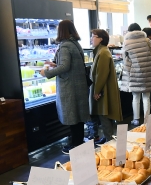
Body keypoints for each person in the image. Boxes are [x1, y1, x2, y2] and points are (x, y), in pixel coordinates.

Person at [40, 20, 89, 155]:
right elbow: (69, 64)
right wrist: (55, 63)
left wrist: (47, 72)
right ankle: (78, 141)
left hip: (69, 87)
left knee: (72, 116)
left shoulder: (65, 46)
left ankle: (75, 144)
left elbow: (65, 66)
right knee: (77, 116)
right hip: (78, 85)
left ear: (61, 31)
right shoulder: (75, 44)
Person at [88, 29, 122, 141]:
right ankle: (107, 138)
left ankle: (109, 140)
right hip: (104, 89)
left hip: (104, 90)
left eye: (94, 36)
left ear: (101, 39)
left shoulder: (102, 53)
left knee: (104, 114)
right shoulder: (101, 51)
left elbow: (101, 75)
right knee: (103, 114)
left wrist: (96, 91)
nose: (91, 38)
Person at [121, 27, 151, 126]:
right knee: (146, 97)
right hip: (147, 71)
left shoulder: (126, 42)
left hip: (134, 73)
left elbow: (125, 59)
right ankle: (147, 119)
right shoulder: (147, 40)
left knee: (135, 97)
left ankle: (136, 119)